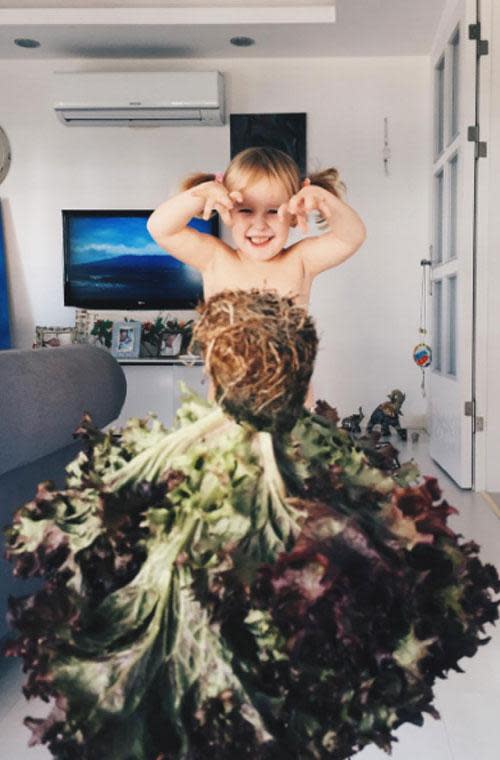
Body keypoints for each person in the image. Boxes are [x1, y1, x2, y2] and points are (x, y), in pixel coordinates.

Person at [147, 146, 367, 409]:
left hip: (291, 413)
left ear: (295, 215)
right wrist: (202, 193)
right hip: (226, 415)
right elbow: (160, 228)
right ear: (227, 211)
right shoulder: (216, 259)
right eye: (246, 210)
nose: (260, 225)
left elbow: (351, 236)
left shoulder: (300, 261)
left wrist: (322, 199)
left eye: (274, 211)